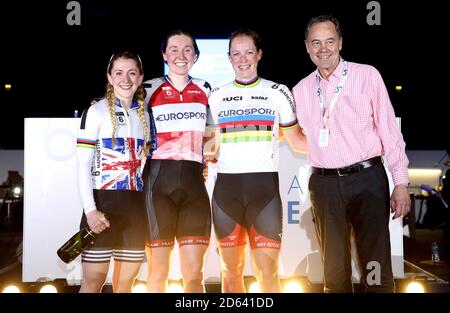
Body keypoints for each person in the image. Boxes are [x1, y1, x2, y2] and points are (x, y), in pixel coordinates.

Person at [292, 15, 411, 292]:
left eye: (330, 41)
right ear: (307, 47)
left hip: (367, 179)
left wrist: (401, 182)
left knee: (375, 268)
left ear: (341, 43)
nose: (323, 49)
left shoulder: (366, 75)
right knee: (333, 273)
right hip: (324, 186)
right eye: (316, 42)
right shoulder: (300, 90)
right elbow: (285, 135)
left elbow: (389, 132)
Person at [206, 29, 307, 292]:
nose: (243, 59)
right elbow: (209, 146)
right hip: (226, 194)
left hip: (265, 194)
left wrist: (339, 147)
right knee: (230, 275)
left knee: (268, 274)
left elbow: (297, 139)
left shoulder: (278, 91)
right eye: (236, 54)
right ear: (229, 58)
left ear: (259, 54)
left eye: (249, 52)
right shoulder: (216, 95)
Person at [76, 51, 155, 292]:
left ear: (140, 78)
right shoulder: (96, 112)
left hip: (134, 212)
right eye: (119, 73)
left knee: (125, 286)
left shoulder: (145, 114)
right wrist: (90, 211)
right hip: (101, 210)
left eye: (132, 73)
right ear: (109, 77)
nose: (126, 79)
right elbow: (82, 166)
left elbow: (146, 166)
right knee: (92, 284)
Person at [143, 30, 212, 293]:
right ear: (163, 54)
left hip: (194, 187)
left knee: (194, 275)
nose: (180, 55)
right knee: (158, 274)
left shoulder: (206, 89)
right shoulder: (148, 88)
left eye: (187, 50)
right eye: (173, 49)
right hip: (158, 186)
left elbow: (212, 134)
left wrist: (207, 158)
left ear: (195, 55)